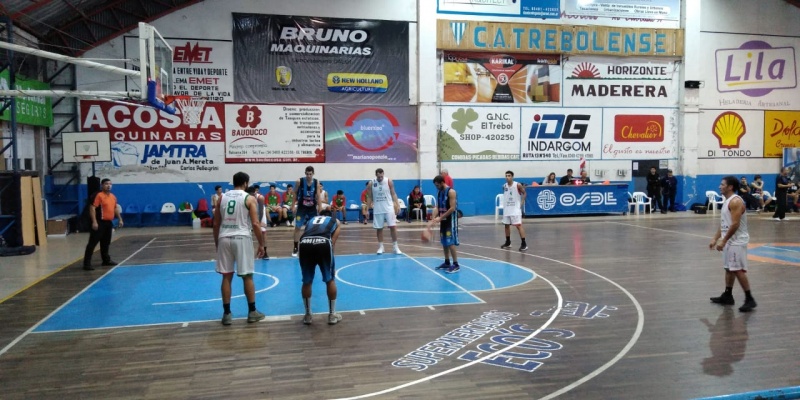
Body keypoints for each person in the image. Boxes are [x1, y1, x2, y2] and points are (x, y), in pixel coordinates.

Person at [213, 172, 267, 325]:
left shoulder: (222, 198)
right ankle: (252, 311)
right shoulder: (249, 198)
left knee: (226, 277)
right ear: (245, 183)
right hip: (242, 237)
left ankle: (227, 314)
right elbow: (256, 224)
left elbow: (216, 224)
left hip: (224, 237)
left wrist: (218, 242)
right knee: (247, 276)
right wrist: (261, 244)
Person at [709, 175, 756, 313]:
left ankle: (749, 299)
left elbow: (735, 224)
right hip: (730, 240)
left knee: (737, 269)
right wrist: (715, 238)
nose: (719, 186)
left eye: (722, 184)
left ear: (730, 187)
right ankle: (728, 295)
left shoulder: (735, 201)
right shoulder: (727, 201)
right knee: (729, 268)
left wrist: (723, 240)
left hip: (737, 241)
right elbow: (724, 223)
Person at [298, 214, 342, 325]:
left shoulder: (311, 220)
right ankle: (332, 315)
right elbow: (332, 242)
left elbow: (305, 231)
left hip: (304, 243)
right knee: (330, 279)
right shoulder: (334, 220)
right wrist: (331, 259)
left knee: (307, 280)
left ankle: (308, 315)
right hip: (323, 243)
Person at [83, 178, 123, 270]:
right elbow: (92, 208)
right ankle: (87, 264)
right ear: (102, 185)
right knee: (92, 243)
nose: (108, 186)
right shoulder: (98, 195)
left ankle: (106, 260)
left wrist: (120, 219)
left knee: (106, 243)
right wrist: (94, 222)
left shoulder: (113, 196)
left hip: (108, 223)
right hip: (99, 222)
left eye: (110, 184)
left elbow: (115, 208)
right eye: (106, 184)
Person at [368, 168, 402, 255]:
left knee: (393, 227)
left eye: (381, 176)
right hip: (378, 208)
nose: (380, 178)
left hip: (389, 208)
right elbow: (370, 196)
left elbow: (393, 193)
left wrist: (397, 204)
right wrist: (368, 209)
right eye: (378, 177)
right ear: (376, 175)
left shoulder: (389, 181)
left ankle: (395, 247)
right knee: (379, 228)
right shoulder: (371, 183)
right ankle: (381, 247)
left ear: (383, 174)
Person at [291, 166, 322, 257]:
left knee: (314, 227)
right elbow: (294, 193)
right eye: (307, 174)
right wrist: (293, 205)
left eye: (310, 174)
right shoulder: (299, 181)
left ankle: (313, 246)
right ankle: (296, 247)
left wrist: (320, 206)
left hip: (312, 208)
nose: (309, 176)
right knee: (298, 227)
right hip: (301, 207)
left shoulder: (316, 182)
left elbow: (318, 195)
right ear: (305, 173)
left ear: (313, 174)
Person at [432, 175, 460, 273]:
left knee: (450, 242)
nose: (436, 187)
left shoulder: (451, 192)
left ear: (442, 183)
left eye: (437, 185)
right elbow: (438, 207)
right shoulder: (439, 192)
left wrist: (441, 217)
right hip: (443, 220)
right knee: (444, 241)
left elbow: (452, 208)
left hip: (450, 221)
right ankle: (447, 261)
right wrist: (433, 217)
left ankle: (456, 264)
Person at [499, 171, 528, 251]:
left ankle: (524, 243)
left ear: (512, 177)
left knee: (518, 226)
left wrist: (522, 203)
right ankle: (508, 242)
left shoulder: (517, 185)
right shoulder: (504, 186)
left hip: (515, 209)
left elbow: (524, 193)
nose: (507, 177)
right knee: (506, 225)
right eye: (506, 176)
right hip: (507, 209)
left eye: (509, 176)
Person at [245, 185, 269, 260]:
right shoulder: (246, 197)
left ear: (255, 193)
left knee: (263, 232)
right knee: (247, 232)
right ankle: (247, 252)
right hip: (250, 212)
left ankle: (265, 252)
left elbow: (261, 211)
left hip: (260, 213)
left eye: (253, 195)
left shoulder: (260, 197)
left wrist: (259, 222)